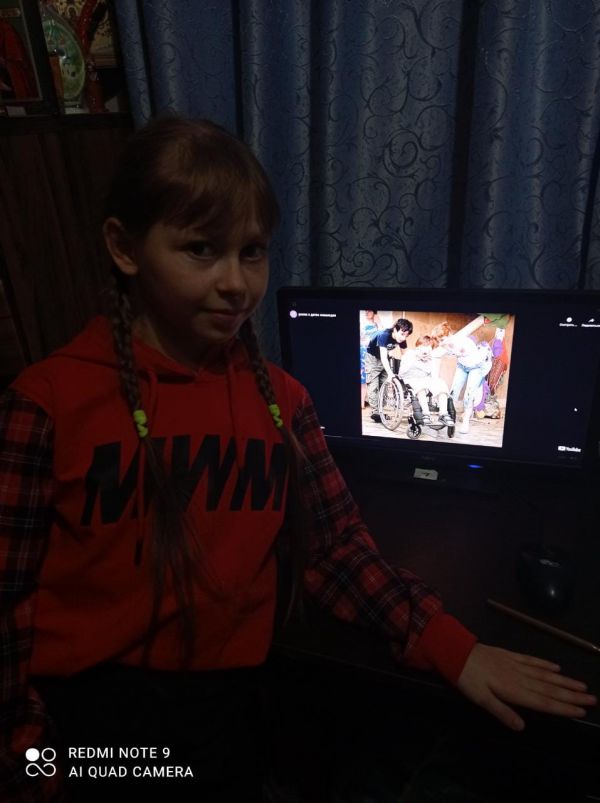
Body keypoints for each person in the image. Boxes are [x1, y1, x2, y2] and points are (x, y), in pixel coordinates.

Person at [0, 117, 595, 803]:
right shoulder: (46, 403)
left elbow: (334, 547)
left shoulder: (283, 400)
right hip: (86, 727)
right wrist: (28, 760)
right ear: (124, 248)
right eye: (201, 249)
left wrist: (453, 647)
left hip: (230, 715)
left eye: (252, 252)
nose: (236, 283)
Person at [431, 318, 494, 434]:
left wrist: (483, 320)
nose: (441, 343)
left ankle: (466, 421)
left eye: (442, 340)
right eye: (439, 341)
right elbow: (437, 354)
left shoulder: (460, 340)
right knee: (453, 392)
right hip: (462, 366)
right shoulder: (445, 344)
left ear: (449, 334)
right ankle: (446, 417)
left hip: (476, 367)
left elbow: (460, 348)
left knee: (469, 394)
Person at [365, 317, 413, 422]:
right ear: (395, 329)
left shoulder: (401, 339)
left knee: (384, 384)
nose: (403, 338)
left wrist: (409, 369)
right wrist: (391, 373)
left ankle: (380, 411)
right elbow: (383, 357)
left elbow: (405, 356)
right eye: (402, 334)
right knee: (373, 384)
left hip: (385, 358)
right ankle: (376, 411)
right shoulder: (384, 335)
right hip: (372, 358)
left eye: (406, 335)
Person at [398, 335, 453, 426]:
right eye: (423, 347)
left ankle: (443, 414)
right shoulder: (410, 354)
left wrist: (430, 362)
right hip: (411, 379)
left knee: (441, 384)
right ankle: (425, 414)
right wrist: (415, 359)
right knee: (421, 387)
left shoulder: (431, 357)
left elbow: (433, 375)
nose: (425, 350)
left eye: (428, 348)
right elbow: (401, 373)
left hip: (425, 379)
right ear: (418, 346)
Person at [360, 310, 380, 408]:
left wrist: (378, 322)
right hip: (363, 351)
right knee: (362, 377)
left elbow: (382, 336)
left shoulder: (378, 324)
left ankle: (371, 401)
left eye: (369, 310)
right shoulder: (362, 323)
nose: (366, 312)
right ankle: (362, 402)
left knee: (372, 376)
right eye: (366, 311)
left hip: (374, 353)